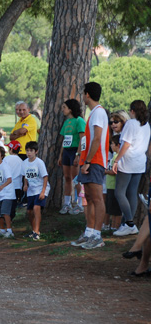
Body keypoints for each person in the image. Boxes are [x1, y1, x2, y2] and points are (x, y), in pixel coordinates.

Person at [71, 82, 110, 250]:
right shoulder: (93, 113)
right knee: (89, 198)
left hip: (95, 161)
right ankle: (89, 232)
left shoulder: (99, 112)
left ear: (87, 94)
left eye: (83, 93)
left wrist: (88, 161)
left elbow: (97, 138)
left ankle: (97, 235)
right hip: (88, 161)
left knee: (97, 198)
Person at [112, 100, 150, 236]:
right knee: (132, 193)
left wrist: (116, 160)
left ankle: (129, 223)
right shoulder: (146, 125)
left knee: (119, 192)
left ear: (132, 111)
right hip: (140, 162)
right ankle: (127, 223)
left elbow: (126, 144)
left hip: (127, 161)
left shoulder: (131, 124)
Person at [58, 99, 86, 215]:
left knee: (77, 178)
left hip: (75, 151)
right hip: (66, 152)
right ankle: (67, 203)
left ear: (70, 109)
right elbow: (64, 140)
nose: (62, 109)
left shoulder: (79, 121)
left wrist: (78, 155)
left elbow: (82, 138)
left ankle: (80, 204)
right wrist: (61, 155)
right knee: (67, 178)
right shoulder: (66, 122)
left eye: (64, 107)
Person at [22, 141, 48, 240]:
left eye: (31, 151)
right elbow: (25, 175)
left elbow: (45, 177)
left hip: (40, 188)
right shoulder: (24, 163)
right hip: (31, 189)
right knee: (29, 211)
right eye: (27, 150)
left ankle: (37, 232)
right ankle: (33, 230)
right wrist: (25, 184)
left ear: (36, 151)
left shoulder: (39, 162)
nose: (29, 153)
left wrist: (43, 191)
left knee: (36, 208)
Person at [0, 146, 15, 238]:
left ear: (2, 155)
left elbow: (9, 180)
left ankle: (9, 230)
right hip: (0, 194)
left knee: (5, 212)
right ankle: (2, 230)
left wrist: (2, 186)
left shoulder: (5, 166)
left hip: (8, 193)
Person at [104, 135, 122, 231]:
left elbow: (114, 171)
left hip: (114, 186)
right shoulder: (114, 156)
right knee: (111, 207)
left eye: (112, 144)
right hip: (110, 186)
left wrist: (105, 171)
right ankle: (112, 226)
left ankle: (116, 226)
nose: (111, 146)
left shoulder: (116, 157)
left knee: (116, 209)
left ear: (118, 145)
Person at [4, 141, 24, 220]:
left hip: (7, 185)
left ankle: (5, 217)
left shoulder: (6, 159)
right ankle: (11, 218)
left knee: (6, 202)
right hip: (17, 185)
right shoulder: (21, 161)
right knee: (13, 203)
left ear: (11, 149)